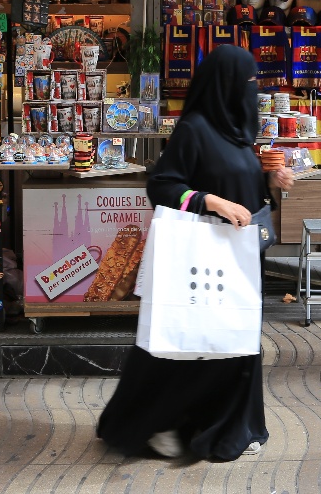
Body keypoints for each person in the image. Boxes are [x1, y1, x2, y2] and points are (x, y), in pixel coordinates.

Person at [96, 46, 294, 461]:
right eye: (246, 83)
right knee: (188, 342)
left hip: (236, 260)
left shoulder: (235, 132)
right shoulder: (196, 129)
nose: (252, 91)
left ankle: (223, 423)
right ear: (225, 85)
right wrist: (211, 202)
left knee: (230, 341)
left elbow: (231, 176)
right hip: (201, 263)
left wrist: (268, 177)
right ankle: (158, 423)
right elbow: (162, 186)